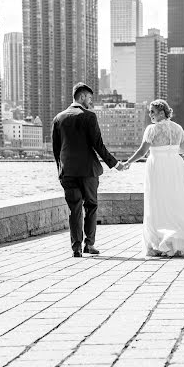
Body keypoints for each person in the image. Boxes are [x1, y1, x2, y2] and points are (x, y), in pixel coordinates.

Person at [124, 99, 184, 257]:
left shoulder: (152, 129)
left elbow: (143, 152)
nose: (150, 115)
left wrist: (128, 162)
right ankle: (180, 239)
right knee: (176, 199)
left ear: (162, 112)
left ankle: (160, 243)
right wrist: (171, 150)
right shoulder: (178, 128)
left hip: (157, 166)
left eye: (153, 112)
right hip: (175, 166)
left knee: (157, 202)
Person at [52, 82, 126, 257]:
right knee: (91, 206)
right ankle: (89, 245)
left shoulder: (58, 118)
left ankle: (76, 247)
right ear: (82, 96)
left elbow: (56, 149)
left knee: (74, 209)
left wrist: (60, 170)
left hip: (67, 172)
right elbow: (98, 146)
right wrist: (115, 164)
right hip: (88, 172)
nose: (90, 102)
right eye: (90, 98)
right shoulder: (89, 117)